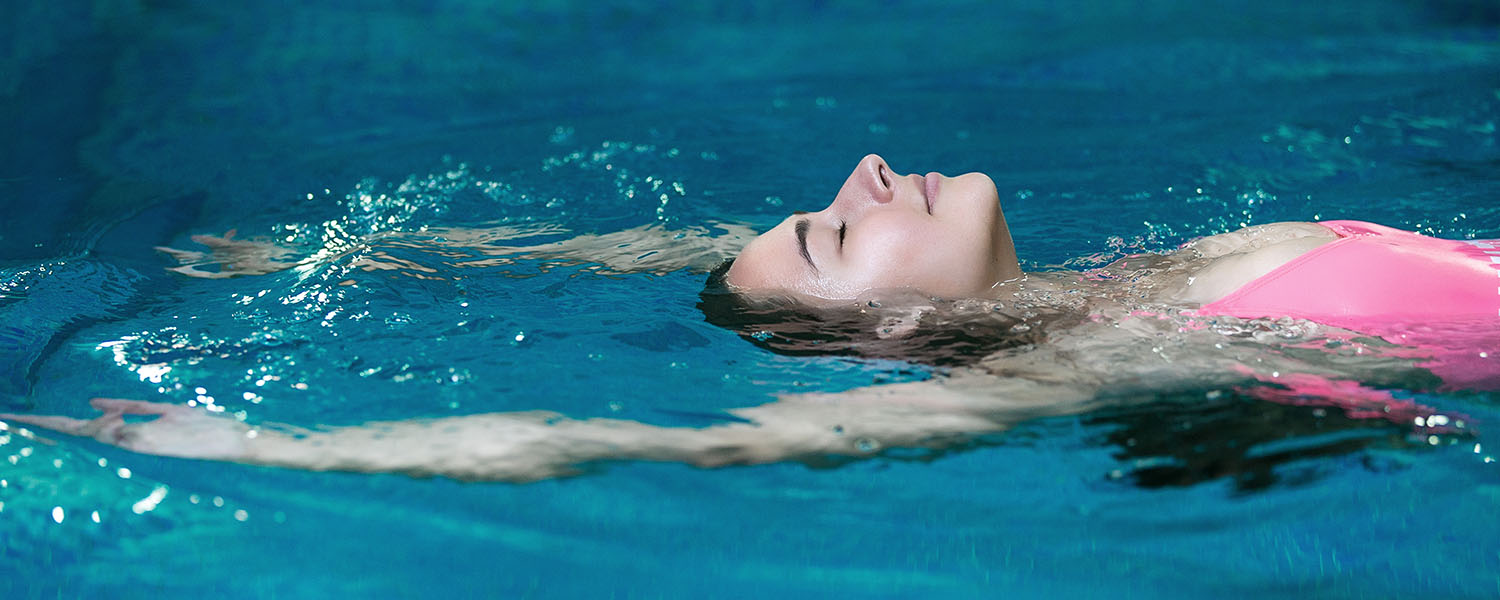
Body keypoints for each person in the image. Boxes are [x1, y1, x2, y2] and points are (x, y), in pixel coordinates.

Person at [3, 155, 1494, 482]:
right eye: (842, 229)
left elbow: (649, 245)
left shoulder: (1100, 285)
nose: (860, 174)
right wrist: (265, 452)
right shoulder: (1119, 348)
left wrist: (378, 255)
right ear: (904, 325)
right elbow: (640, 441)